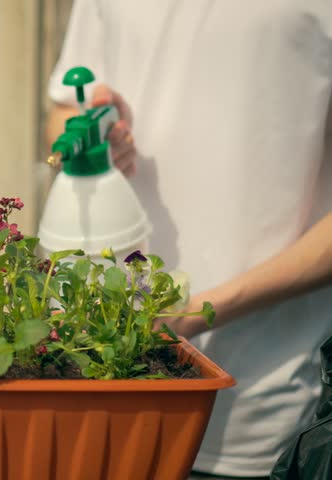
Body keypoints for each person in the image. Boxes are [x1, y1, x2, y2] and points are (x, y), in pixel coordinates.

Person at [45, 1, 332, 478]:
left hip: (250, 411)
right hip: (82, 397)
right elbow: (62, 109)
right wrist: (93, 136)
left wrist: (194, 313)